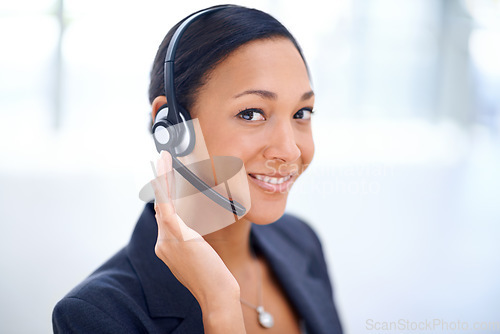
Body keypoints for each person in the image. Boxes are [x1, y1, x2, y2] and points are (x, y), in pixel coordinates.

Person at [52, 5, 343, 334]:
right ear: (174, 125)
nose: (290, 150)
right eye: (251, 113)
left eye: (302, 113)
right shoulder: (99, 314)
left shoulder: (300, 241)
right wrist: (219, 306)